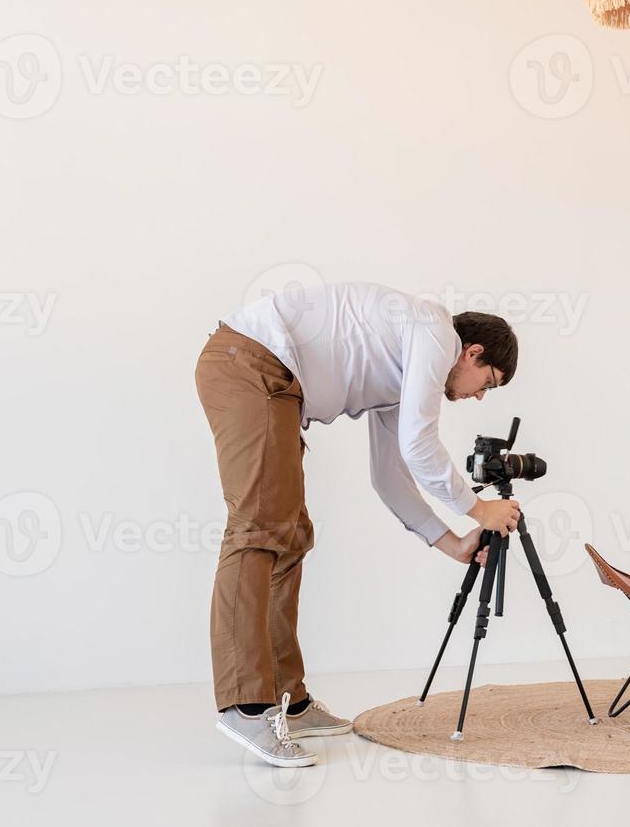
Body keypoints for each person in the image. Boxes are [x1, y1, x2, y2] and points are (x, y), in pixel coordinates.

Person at [194, 281, 522, 767]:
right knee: (258, 529)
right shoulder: (434, 332)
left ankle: (289, 699)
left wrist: (451, 543)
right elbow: (419, 446)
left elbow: (389, 476)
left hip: (270, 376)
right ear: (471, 352)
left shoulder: (404, 367)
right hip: (252, 364)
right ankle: (246, 705)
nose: (478, 398)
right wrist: (476, 508)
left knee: (289, 536)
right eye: (487, 383)